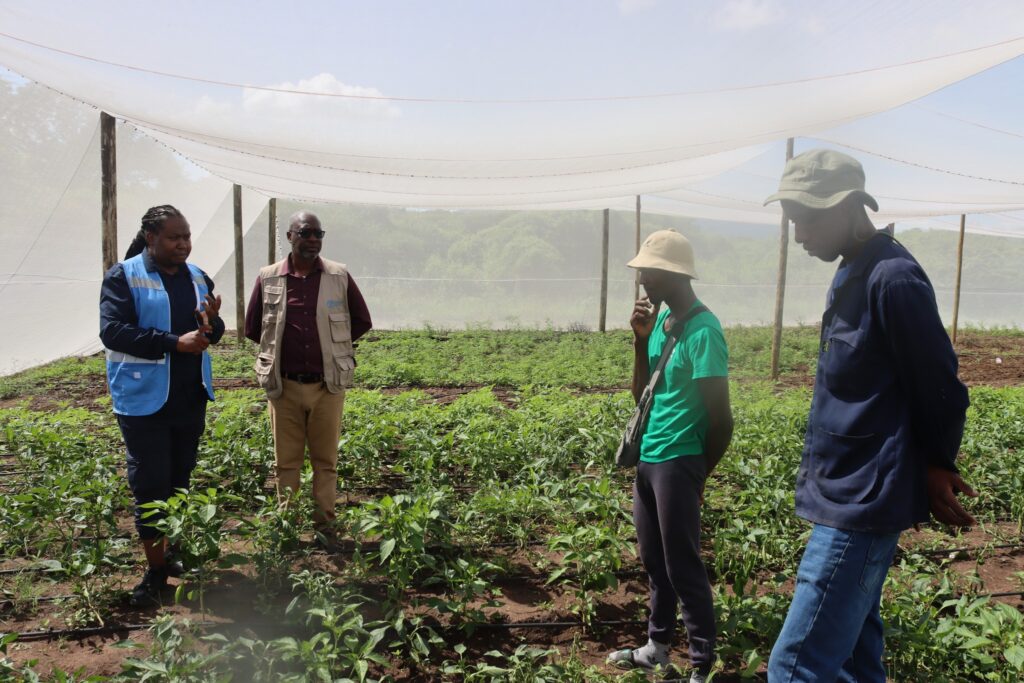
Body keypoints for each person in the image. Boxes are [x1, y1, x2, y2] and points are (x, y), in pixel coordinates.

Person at [763, 149, 975, 682]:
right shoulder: (853, 269)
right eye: (794, 221)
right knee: (857, 659)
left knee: (795, 667)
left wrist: (935, 461)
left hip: (862, 499)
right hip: (844, 487)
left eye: (808, 219)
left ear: (850, 206)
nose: (800, 235)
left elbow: (939, 387)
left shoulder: (893, 278)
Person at [607, 230, 734, 682]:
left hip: (679, 462)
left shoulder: (704, 332)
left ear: (675, 274)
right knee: (654, 560)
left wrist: (697, 477)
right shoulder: (663, 325)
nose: (642, 280)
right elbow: (640, 394)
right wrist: (641, 340)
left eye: (650, 272)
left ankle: (701, 665)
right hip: (650, 458)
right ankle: (657, 647)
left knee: (683, 565)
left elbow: (722, 422)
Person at [100, 205, 224, 607]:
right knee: (150, 484)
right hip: (142, 401)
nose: (183, 244)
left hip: (188, 397)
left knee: (179, 481)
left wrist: (213, 325)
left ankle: (171, 553)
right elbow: (113, 332)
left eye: (187, 236)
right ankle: (154, 572)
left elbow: (210, 333)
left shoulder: (197, 276)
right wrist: (174, 343)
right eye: (174, 237)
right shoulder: (124, 276)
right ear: (151, 238)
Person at [244, 211, 372, 546]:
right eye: (306, 233)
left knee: (325, 461)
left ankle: (324, 526)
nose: (313, 239)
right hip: (283, 386)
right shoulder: (269, 277)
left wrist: (332, 347)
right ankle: (287, 525)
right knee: (285, 462)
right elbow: (253, 326)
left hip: (326, 386)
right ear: (290, 236)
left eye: (318, 234)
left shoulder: (338, 276)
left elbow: (361, 320)